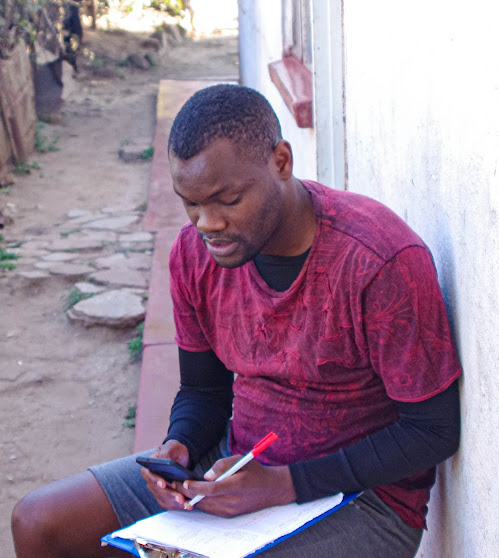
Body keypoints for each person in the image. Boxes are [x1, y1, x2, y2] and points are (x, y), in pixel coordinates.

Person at [11, 84, 462, 558]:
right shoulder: (194, 254)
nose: (207, 223)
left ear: (281, 162)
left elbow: (433, 429)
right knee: (41, 523)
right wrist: (179, 447)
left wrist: (285, 485)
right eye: (191, 203)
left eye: (226, 199)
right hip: (235, 465)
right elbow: (204, 392)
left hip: (362, 498)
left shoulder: (377, 259)